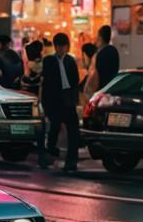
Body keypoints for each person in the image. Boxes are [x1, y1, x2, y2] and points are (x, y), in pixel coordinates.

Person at [40, 33, 81, 173]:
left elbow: (75, 81)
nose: (63, 49)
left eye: (65, 47)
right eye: (60, 47)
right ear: (56, 47)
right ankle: (50, 152)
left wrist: (74, 98)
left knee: (73, 131)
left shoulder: (70, 61)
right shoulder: (49, 61)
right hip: (54, 100)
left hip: (68, 99)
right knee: (54, 128)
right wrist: (46, 103)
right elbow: (46, 84)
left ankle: (71, 161)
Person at [91, 25, 119, 94]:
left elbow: (96, 75)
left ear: (100, 38)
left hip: (101, 90)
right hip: (112, 88)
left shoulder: (99, 54)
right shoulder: (114, 50)